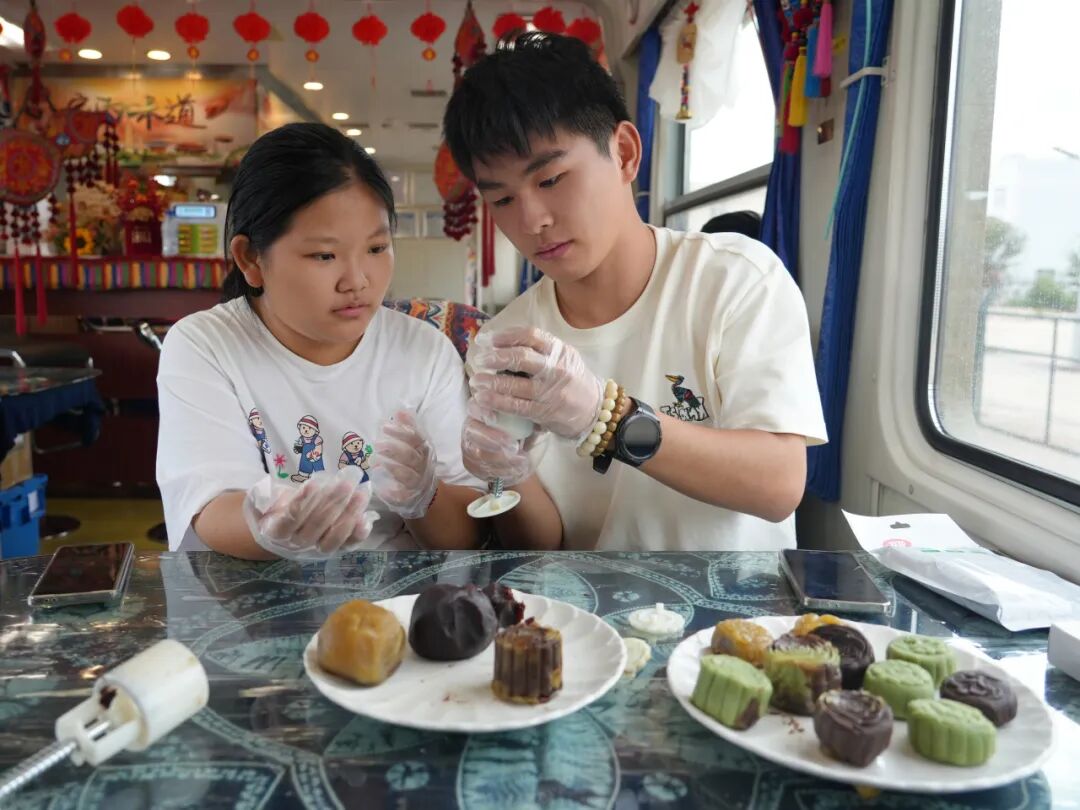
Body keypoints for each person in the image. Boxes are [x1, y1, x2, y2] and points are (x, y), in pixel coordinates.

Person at [447, 33, 827, 552]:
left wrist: (606, 419)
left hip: (730, 600)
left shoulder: (735, 279)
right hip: (583, 601)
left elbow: (778, 485)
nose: (532, 220)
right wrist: (509, 475)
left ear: (624, 153)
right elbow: (545, 544)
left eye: (551, 179)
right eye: (503, 200)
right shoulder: (507, 342)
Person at [156, 122, 485, 559]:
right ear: (250, 258)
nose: (358, 281)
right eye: (324, 255)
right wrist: (271, 527)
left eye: (376, 248)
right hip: (256, 594)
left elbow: (466, 535)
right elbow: (212, 508)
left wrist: (425, 497)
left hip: (402, 596)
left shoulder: (423, 351)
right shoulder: (206, 346)